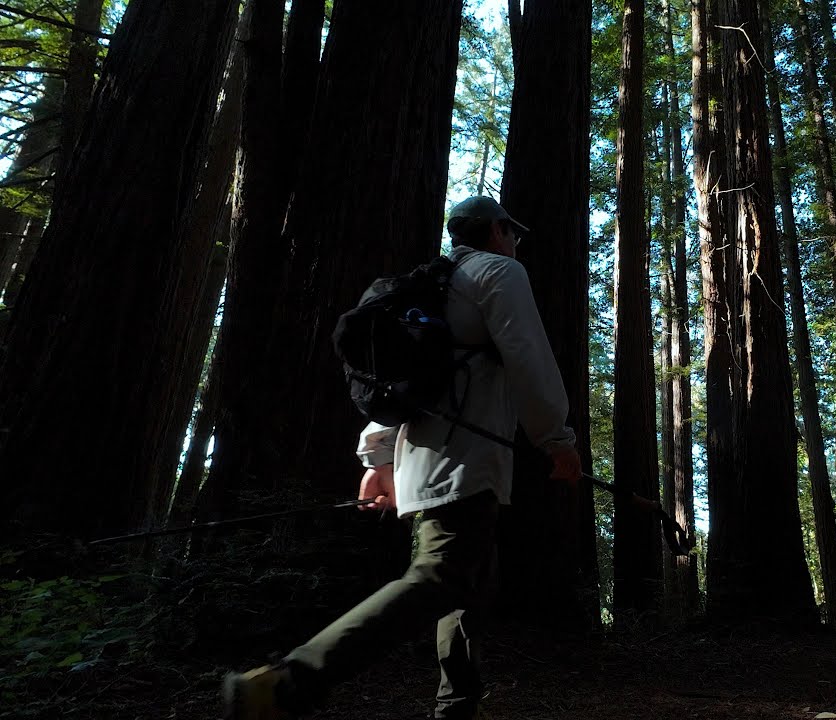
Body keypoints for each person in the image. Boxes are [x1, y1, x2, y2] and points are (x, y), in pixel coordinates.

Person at [223, 196, 582, 720]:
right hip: (463, 458)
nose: (516, 243)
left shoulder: (434, 286)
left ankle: (456, 707)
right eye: (514, 233)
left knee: (469, 582)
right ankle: (288, 683)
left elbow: (406, 380)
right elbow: (529, 356)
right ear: (498, 231)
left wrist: (378, 460)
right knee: (442, 575)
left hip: (423, 458)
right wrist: (557, 440)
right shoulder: (497, 272)